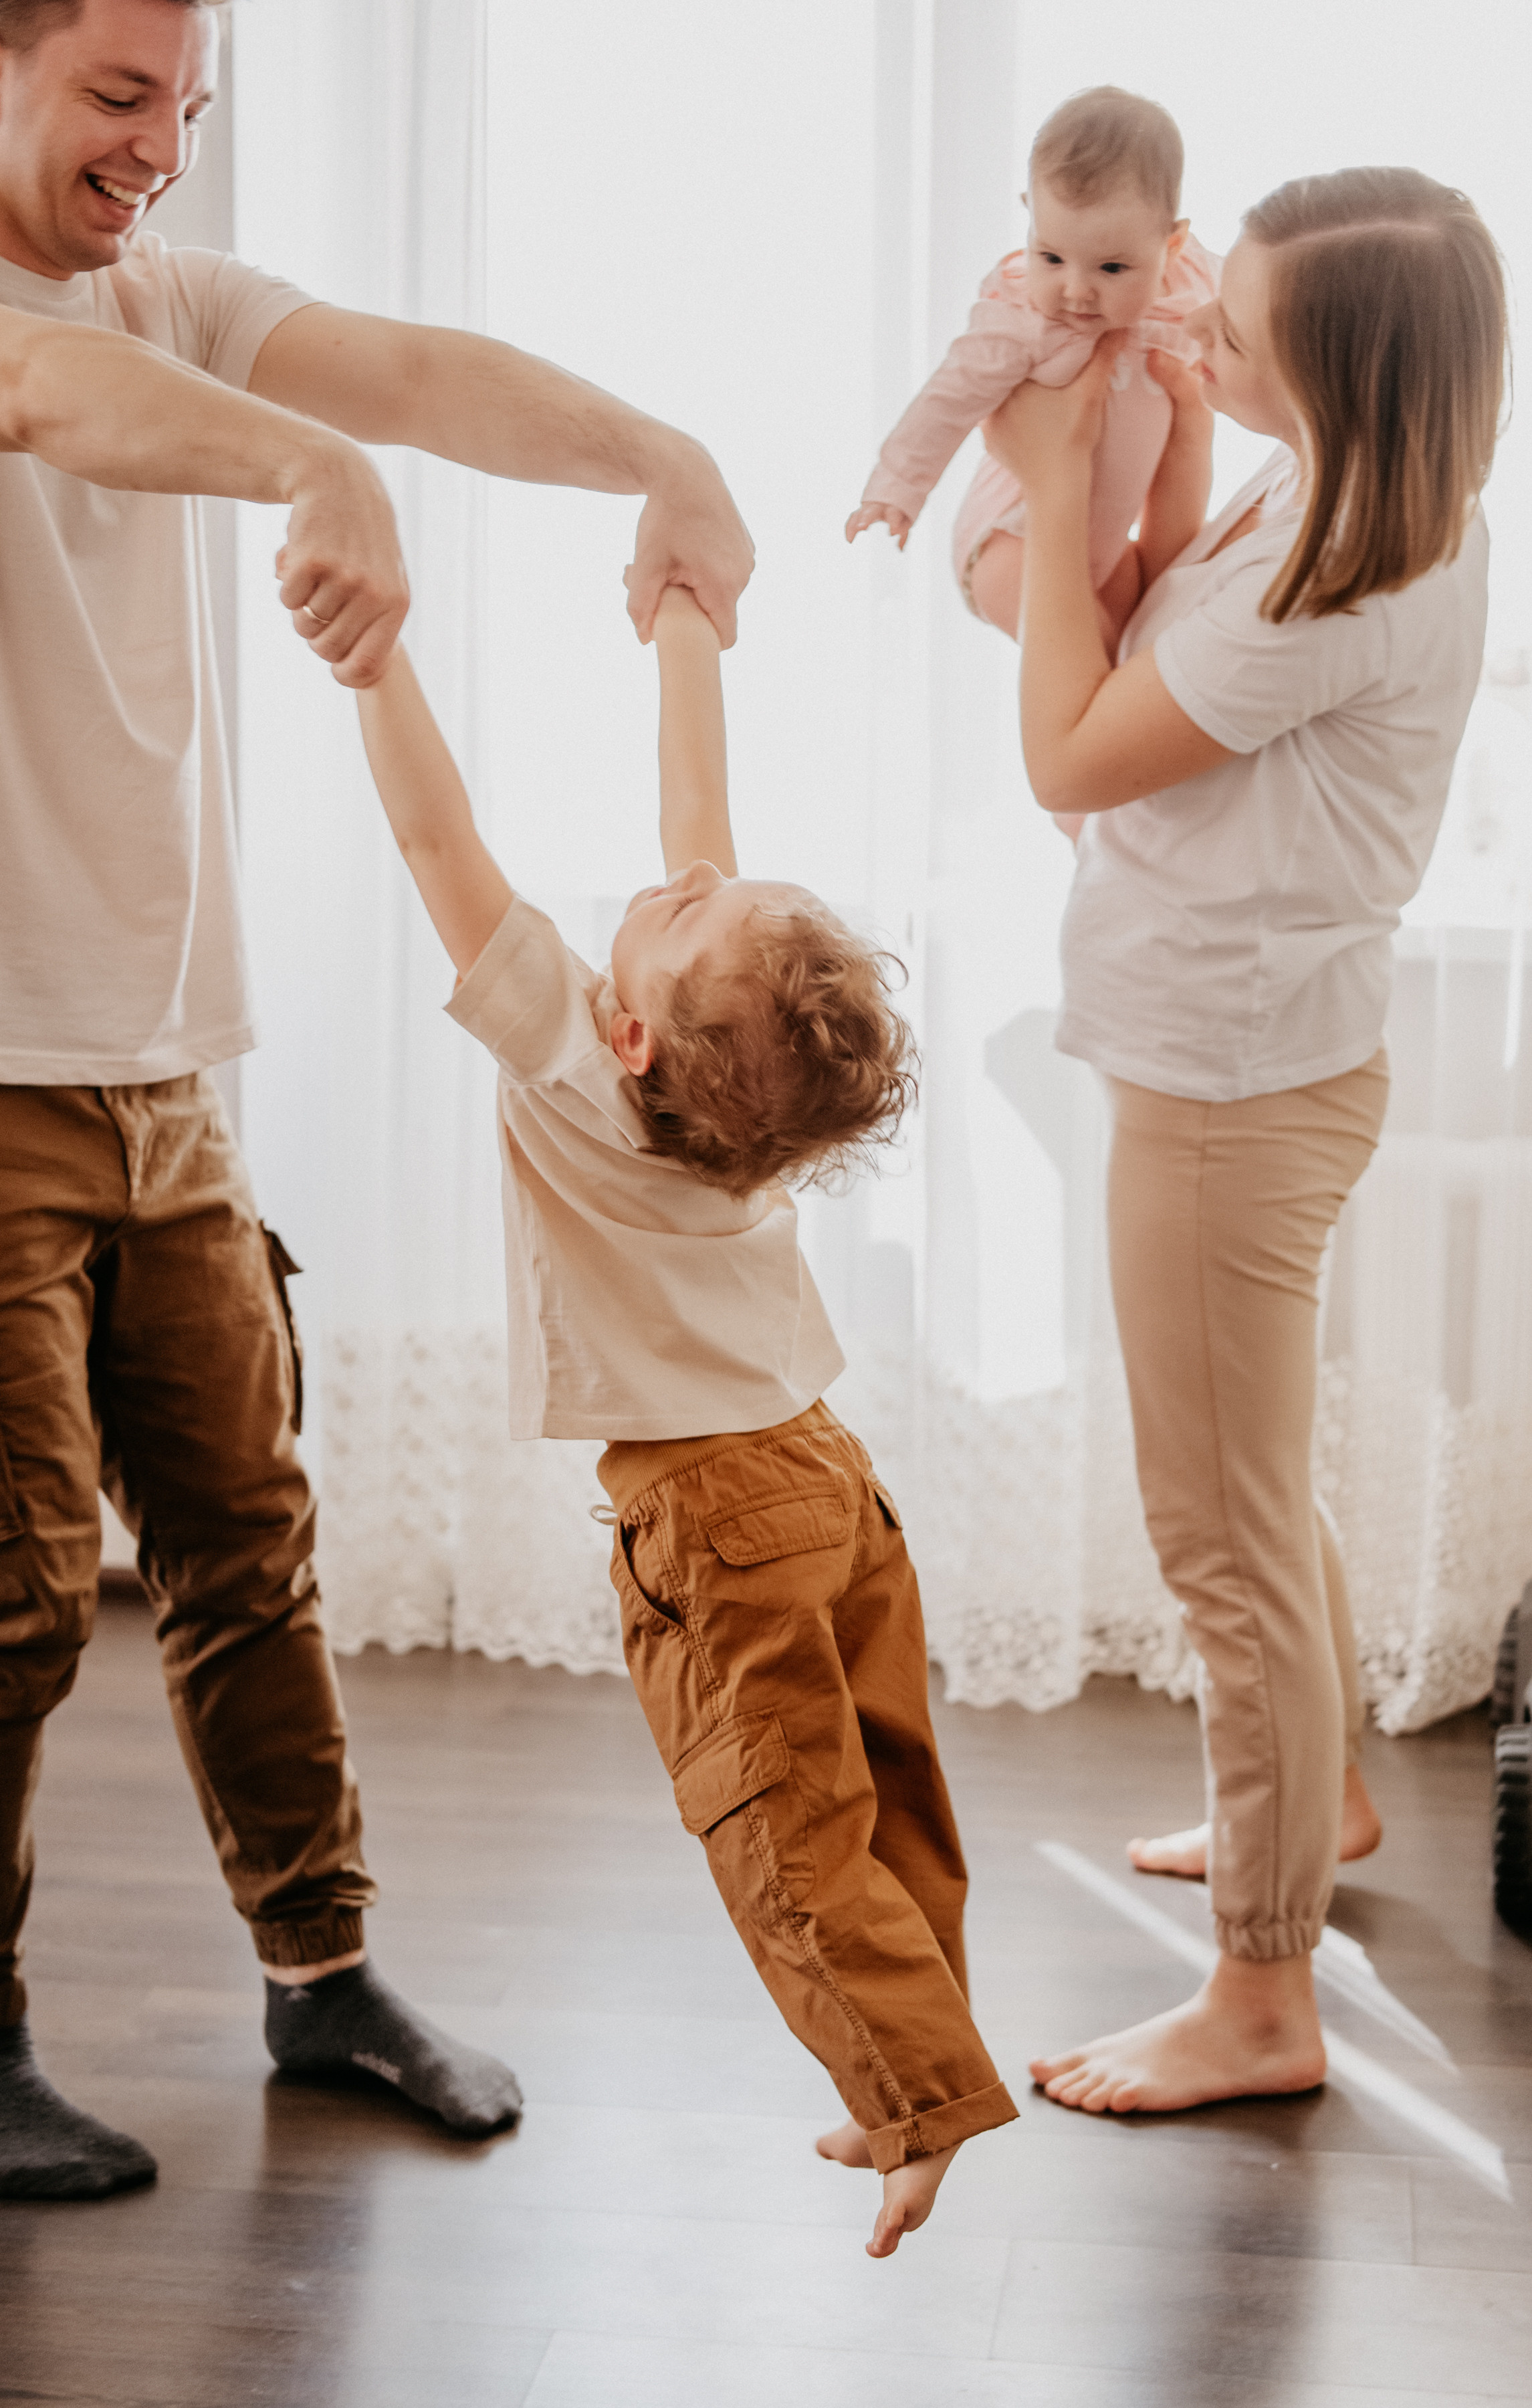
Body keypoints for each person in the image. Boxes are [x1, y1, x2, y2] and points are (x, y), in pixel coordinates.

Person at [0, 0, 752, 2201]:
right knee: (28, 1591)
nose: (161, 151)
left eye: (189, 112)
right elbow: (47, 389)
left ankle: (323, 1980)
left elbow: (422, 375)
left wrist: (665, 452)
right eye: (118, 99)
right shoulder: (73, 339)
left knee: (247, 1536)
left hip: (173, 1061)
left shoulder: (175, 294)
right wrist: (306, 468)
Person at [350, 588, 1019, 2259]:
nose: (684, 878)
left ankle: (916, 2110)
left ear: (631, 1027)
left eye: (693, 913)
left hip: (716, 1517)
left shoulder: (578, 1063)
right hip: (824, 1472)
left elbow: (439, 840)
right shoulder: (733, 1100)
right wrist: (681, 630)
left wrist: (377, 662)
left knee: (786, 1832)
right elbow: (698, 831)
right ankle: (915, 2055)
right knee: (889, 1789)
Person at [982, 165, 1505, 2114]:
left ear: (1344, 373)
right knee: (1257, 1497)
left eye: (1236, 323)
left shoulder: (1340, 585)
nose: (1194, 321)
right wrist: (1181, 421)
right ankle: (1322, 1801)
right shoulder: (1340, 496)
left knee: (1217, 1543)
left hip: (1219, 1099)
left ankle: (1260, 1999)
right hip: (1247, 1065)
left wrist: (1049, 496)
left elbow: (1062, 753)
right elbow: (1161, 622)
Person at [847, 85, 1219, 651]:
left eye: (1112, 267)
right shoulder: (1021, 322)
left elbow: (1260, 299)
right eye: (1049, 257)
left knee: (1141, 660)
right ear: (1028, 216)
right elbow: (948, 399)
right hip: (1010, 539)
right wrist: (898, 486)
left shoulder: (1189, 292)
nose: (1075, 290)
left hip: (1106, 548)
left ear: (1172, 245)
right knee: (1090, 668)